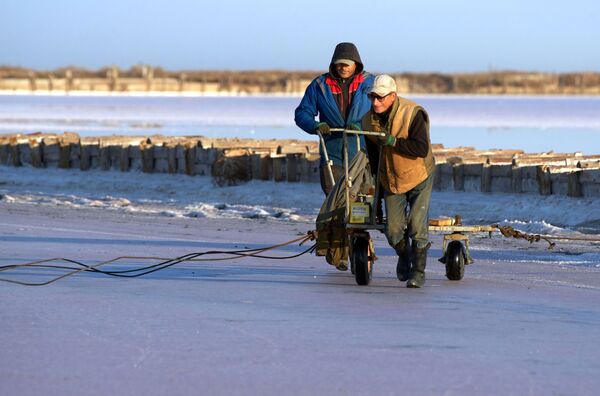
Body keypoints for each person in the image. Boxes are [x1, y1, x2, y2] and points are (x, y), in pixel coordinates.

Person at [361, 75, 435, 288]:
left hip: (419, 175)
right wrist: (375, 189)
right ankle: (404, 255)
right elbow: (374, 157)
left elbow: (421, 149)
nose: (376, 102)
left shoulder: (412, 114)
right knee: (393, 229)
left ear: (393, 96)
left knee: (416, 223)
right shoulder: (368, 121)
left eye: (381, 98)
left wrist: (393, 141)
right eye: (372, 97)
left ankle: (418, 272)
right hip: (391, 178)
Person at [295, 42, 374, 195]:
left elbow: (382, 112)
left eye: (347, 65)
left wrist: (362, 126)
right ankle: (336, 218)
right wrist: (315, 125)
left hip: (362, 148)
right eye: (339, 65)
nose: (343, 68)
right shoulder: (320, 85)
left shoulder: (370, 83)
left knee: (364, 192)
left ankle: (367, 217)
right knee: (333, 193)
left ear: (356, 64)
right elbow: (302, 113)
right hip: (331, 148)